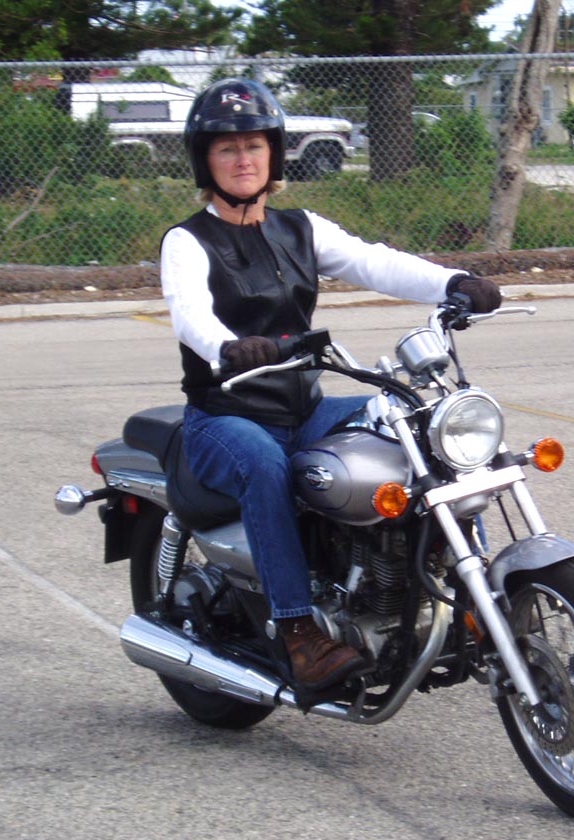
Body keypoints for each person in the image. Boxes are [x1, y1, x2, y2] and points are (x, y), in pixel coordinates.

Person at [160, 78, 503, 691]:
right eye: (227, 148)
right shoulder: (187, 241)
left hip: (304, 407)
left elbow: (375, 261)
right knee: (263, 464)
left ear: (273, 154)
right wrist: (227, 347)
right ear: (204, 161)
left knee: (414, 424)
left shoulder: (299, 228)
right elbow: (191, 315)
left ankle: (464, 592)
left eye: (254, 146)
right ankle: (298, 633)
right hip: (225, 415)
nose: (243, 159)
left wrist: (453, 281)